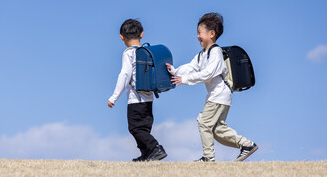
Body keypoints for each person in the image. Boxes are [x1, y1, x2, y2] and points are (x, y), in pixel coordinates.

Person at [166, 13, 258, 162]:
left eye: (199, 33)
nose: (197, 36)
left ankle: (208, 157)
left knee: (203, 122)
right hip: (218, 96)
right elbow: (191, 67)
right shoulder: (203, 54)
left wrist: (185, 80)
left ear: (211, 34)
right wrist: (175, 71)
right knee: (216, 130)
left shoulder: (215, 52)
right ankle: (246, 145)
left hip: (219, 95)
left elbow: (208, 74)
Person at [108, 19, 167, 162]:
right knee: (143, 128)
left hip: (136, 99)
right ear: (142, 34)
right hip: (149, 98)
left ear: (121, 36)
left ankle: (155, 149)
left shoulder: (128, 53)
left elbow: (125, 75)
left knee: (136, 128)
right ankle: (147, 154)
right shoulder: (147, 52)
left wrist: (114, 97)